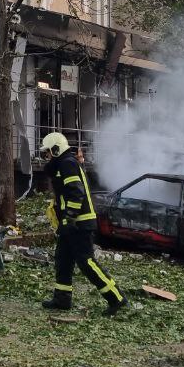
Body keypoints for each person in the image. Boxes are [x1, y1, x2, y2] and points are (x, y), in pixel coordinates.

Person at [38, 132, 124, 316]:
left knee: (86, 262)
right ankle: (62, 299)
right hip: (69, 224)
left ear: (56, 149)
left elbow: (76, 193)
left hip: (79, 223)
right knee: (63, 260)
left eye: (47, 153)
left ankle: (116, 298)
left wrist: (69, 217)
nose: (46, 157)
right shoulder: (63, 164)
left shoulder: (67, 164)